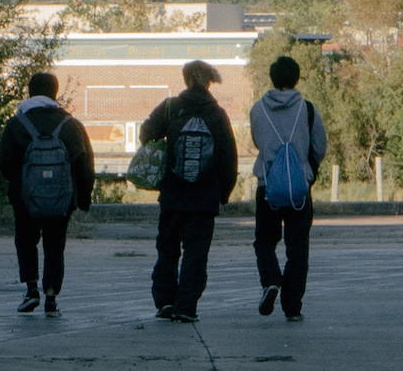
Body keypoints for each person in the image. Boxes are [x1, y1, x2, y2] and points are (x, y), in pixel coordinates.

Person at [137, 59, 237, 322]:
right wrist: (223, 193)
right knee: (196, 253)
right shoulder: (217, 114)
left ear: (186, 79)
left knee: (167, 249)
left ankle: (165, 302)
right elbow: (228, 157)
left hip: (172, 194)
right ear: (208, 81)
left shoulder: (171, 107)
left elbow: (146, 132)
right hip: (204, 198)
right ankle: (186, 306)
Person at [0, 71, 93, 314]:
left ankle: (30, 290)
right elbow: (85, 163)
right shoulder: (70, 124)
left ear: (29, 91)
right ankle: (51, 296)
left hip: (25, 198)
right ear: (55, 92)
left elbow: (4, 162)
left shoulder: (17, 123)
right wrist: (83, 197)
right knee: (54, 244)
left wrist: (20, 184)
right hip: (61, 198)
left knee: (26, 241)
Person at [247, 54, 326, 321]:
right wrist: (307, 172)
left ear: (271, 78)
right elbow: (320, 146)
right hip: (298, 190)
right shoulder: (308, 109)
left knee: (265, 241)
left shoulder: (258, 109)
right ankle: (292, 307)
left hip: (268, 185)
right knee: (298, 247)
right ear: (296, 78)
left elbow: (258, 141)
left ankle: (271, 280)